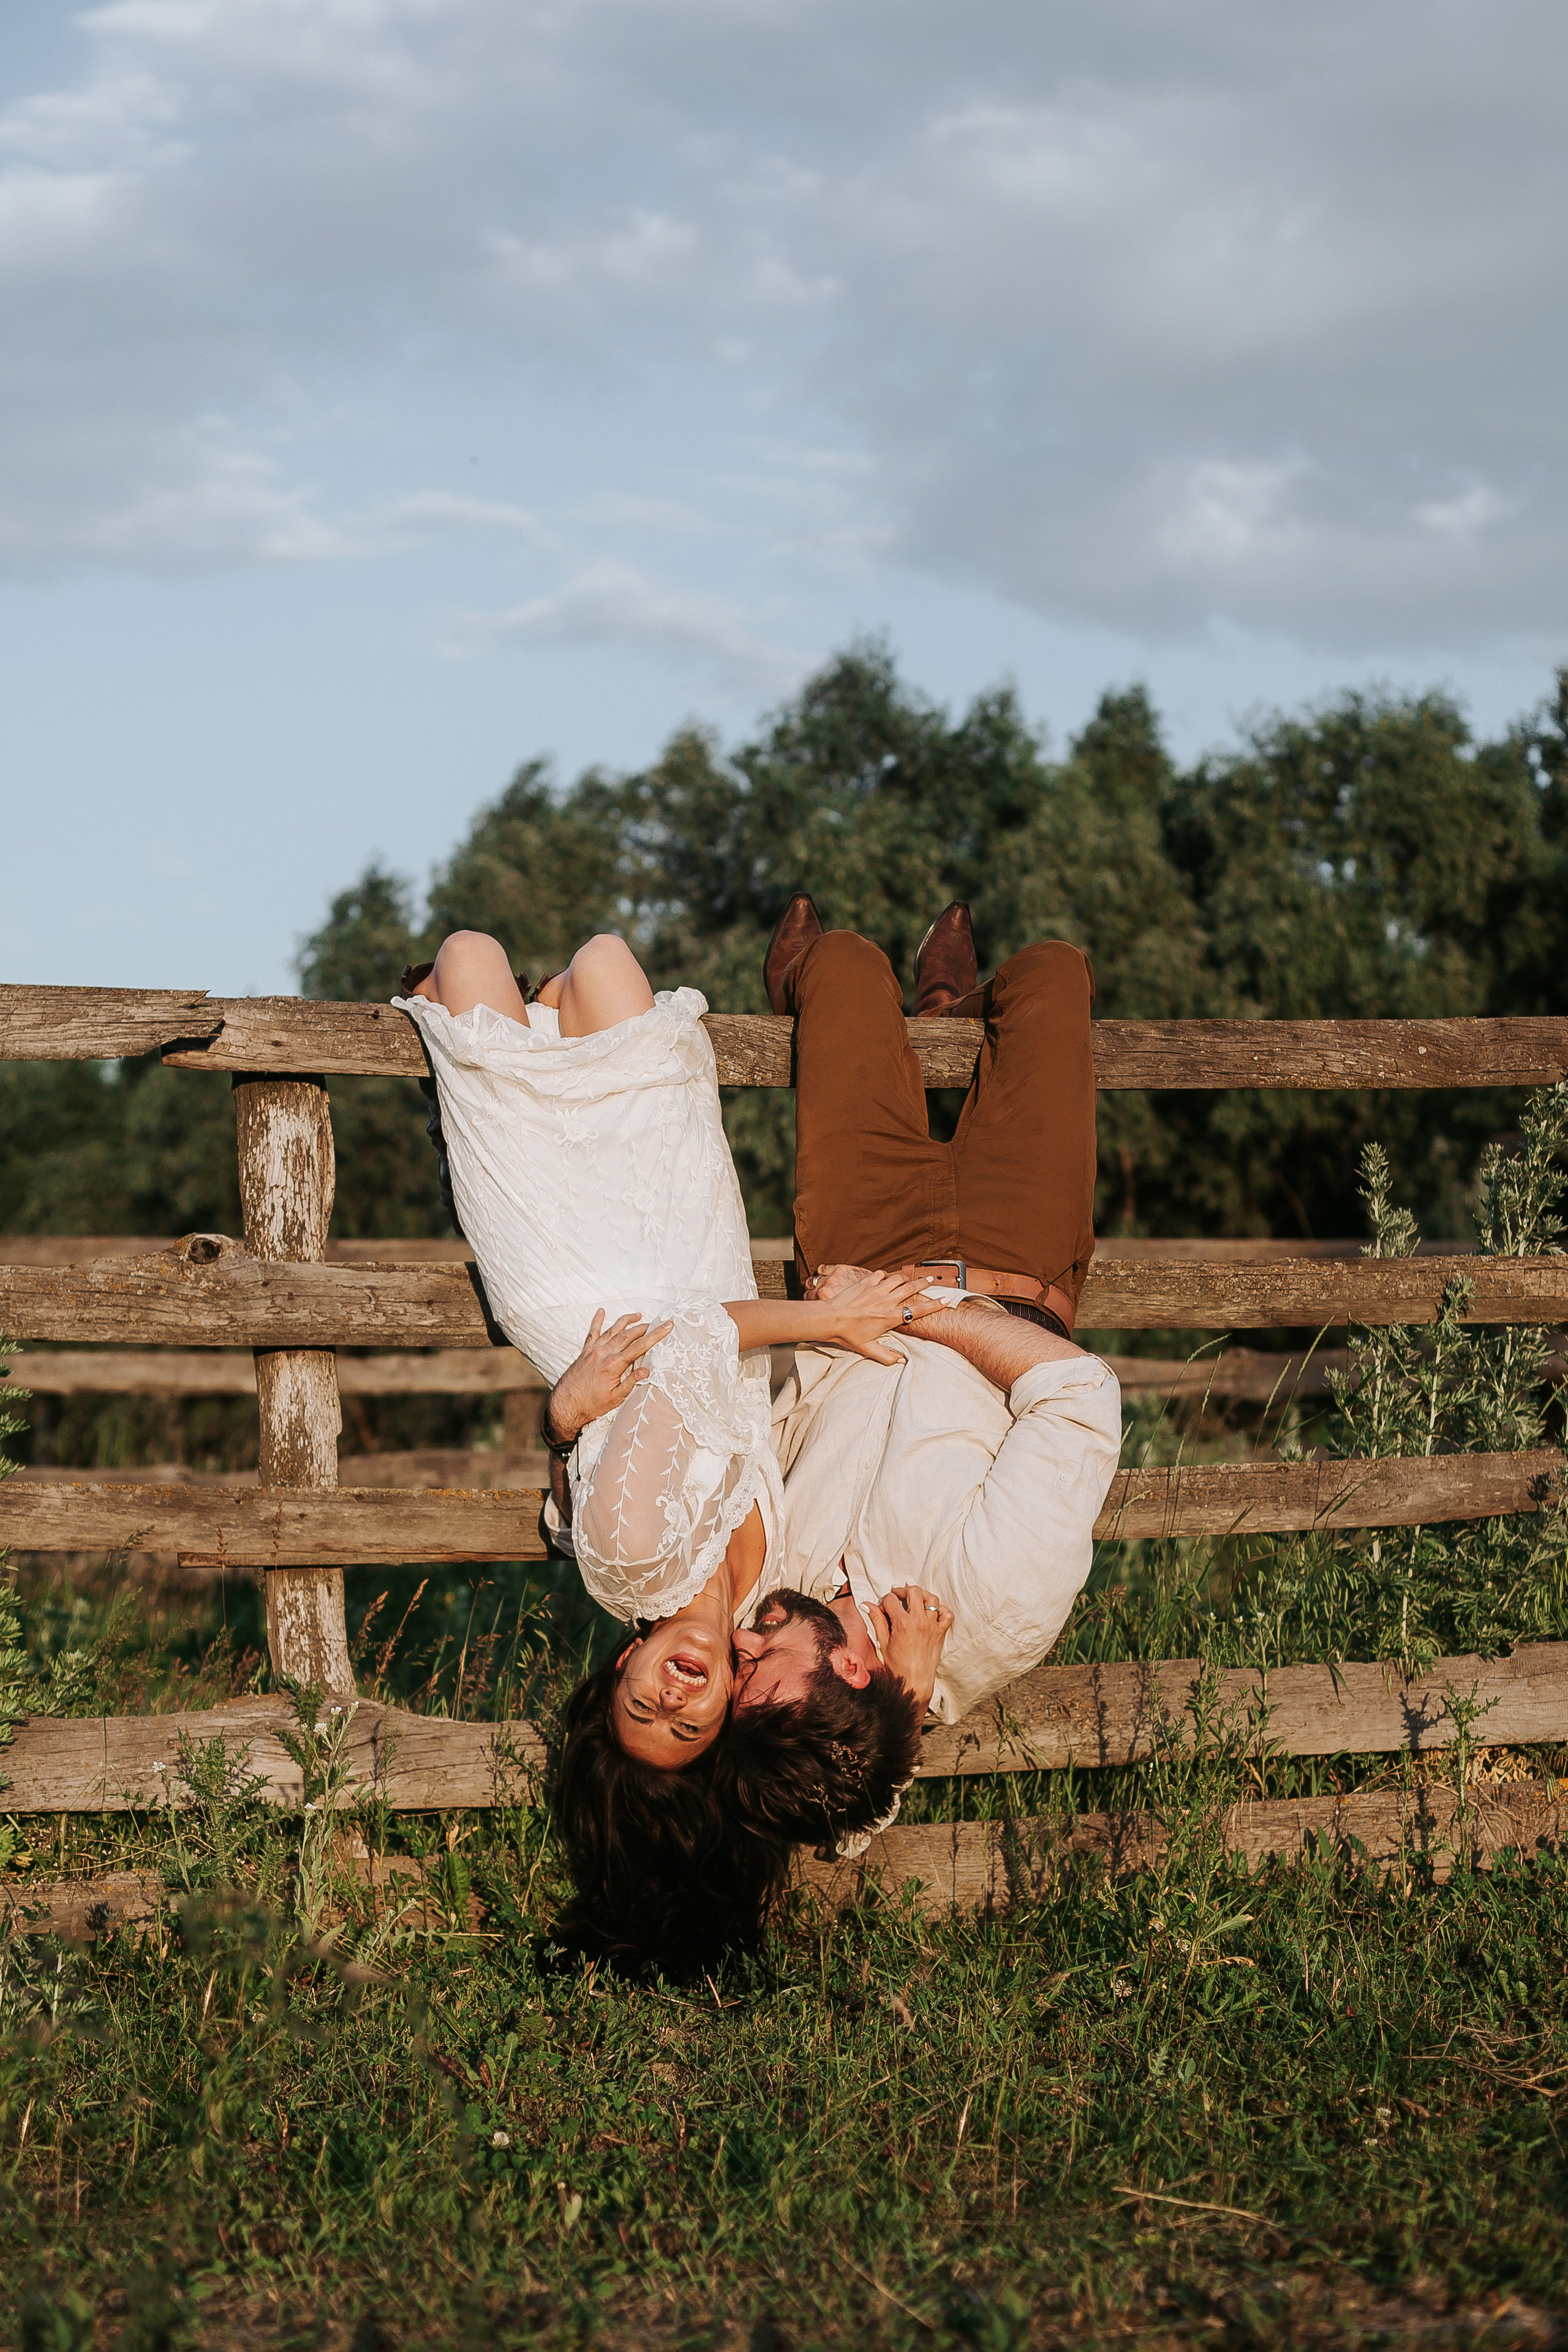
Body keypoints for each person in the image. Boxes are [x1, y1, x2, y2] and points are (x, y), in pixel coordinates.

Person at [394, 929, 941, 1969]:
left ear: (618, 1671)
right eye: (687, 1725)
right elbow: (834, 1815)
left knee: (472, 956)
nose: (672, 1695)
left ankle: (477, 1021)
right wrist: (904, 1692)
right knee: (604, 965)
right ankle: (549, 1010)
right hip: (693, 1258)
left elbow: (687, 1345)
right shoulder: (756, 1604)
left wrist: (834, 1324)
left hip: (591, 1284)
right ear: (729, 1718)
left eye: (640, 1705)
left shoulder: (633, 1556)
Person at [729, 896, 1125, 1850]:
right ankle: (964, 1002)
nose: (739, 1649)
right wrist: (922, 1311)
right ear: (855, 1678)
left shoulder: (765, 1593)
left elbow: (834, 1818)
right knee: (1051, 974)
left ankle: (841, 994)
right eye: (761, 1674)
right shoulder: (988, 1612)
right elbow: (1078, 1396)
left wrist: (837, 1314)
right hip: (1013, 1262)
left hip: (859, 1249)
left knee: (848, 965)